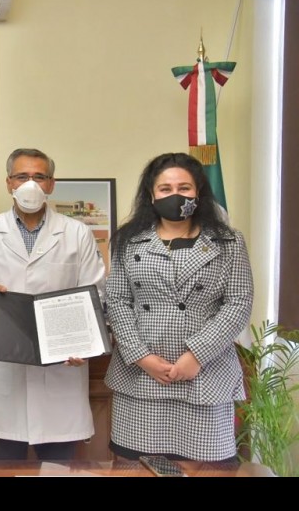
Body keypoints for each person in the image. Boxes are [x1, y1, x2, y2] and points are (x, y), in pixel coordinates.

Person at [104, 152, 253, 461]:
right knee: (138, 467)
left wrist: (196, 355)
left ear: (198, 193)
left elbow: (238, 302)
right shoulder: (127, 240)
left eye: (184, 188)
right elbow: (116, 300)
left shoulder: (228, 241)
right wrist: (142, 357)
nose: (175, 195)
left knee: (206, 468)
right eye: (165, 188)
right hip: (141, 378)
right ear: (151, 195)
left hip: (206, 374)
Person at [0, 148, 106, 461]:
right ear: (9, 183)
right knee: (4, 468)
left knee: (58, 468)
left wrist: (82, 342)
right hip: (3, 370)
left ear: (51, 184)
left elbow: (95, 291)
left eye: (39, 177)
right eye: (22, 176)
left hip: (61, 368)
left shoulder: (77, 233)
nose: (30, 184)